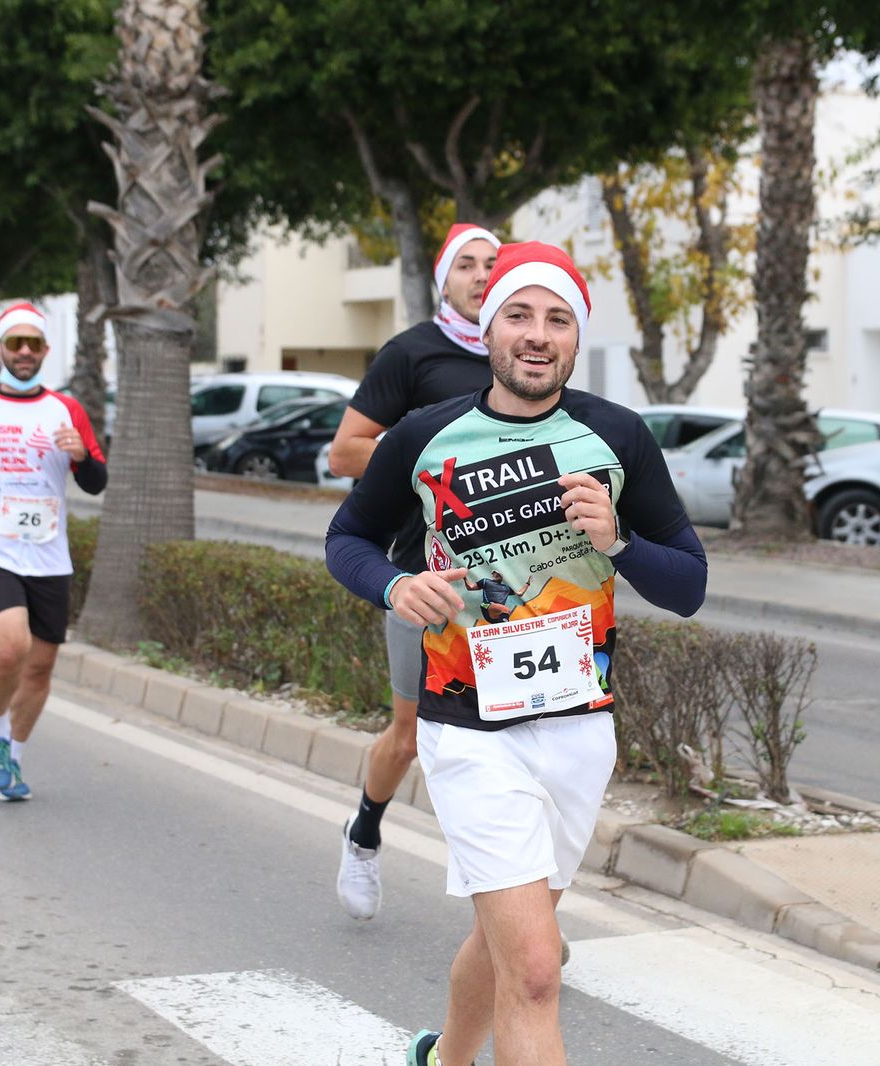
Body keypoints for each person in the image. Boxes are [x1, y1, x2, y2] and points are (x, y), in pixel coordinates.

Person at [325, 242, 707, 1066]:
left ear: (576, 340)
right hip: (467, 727)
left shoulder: (617, 437)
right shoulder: (426, 437)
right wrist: (394, 588)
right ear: (487, 328)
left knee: (505, 941)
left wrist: (622, 541)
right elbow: (348, 538)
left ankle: (442, 1059)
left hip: (579, 730)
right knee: (537, 969)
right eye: (520, 315)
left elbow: (689, 584)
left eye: (558, 319)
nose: (538, 335)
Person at [328, 222, 501, 920]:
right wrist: (432, 457)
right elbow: (345, 454)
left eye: (494, 263)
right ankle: (363, 834)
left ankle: (516, 908)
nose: (484, 275)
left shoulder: (519, 353)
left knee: (508, 739)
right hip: (421, 574)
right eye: (468, 264)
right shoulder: (412, 354)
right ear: (444, 281)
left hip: (509, 580)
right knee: (412, 737)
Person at [0, 302, 107, 801]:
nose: (25, 351)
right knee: (10, 647)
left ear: (46, 351)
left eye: (34, 343)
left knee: (40, 667)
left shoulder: (66, 409)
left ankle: (12, 757)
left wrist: (80, 455)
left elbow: (96, 481)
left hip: (49, 555)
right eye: (16, 343)